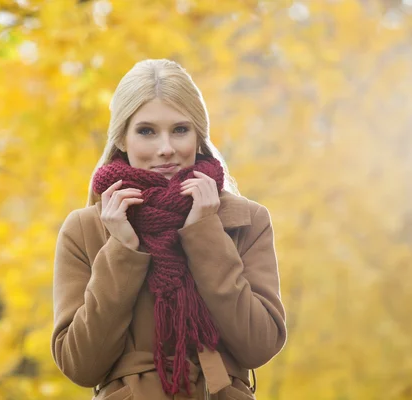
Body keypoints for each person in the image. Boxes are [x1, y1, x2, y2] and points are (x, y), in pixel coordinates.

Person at [51, 59, 287, 400]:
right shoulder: (85, 229)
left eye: (180, 130)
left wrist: (206, 234)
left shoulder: (246, 220)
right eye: (146, 131)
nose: (166, 148)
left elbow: (259, 346)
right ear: (122, 138)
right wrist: (122, 250)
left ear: (198, 136)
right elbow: (80, 365)